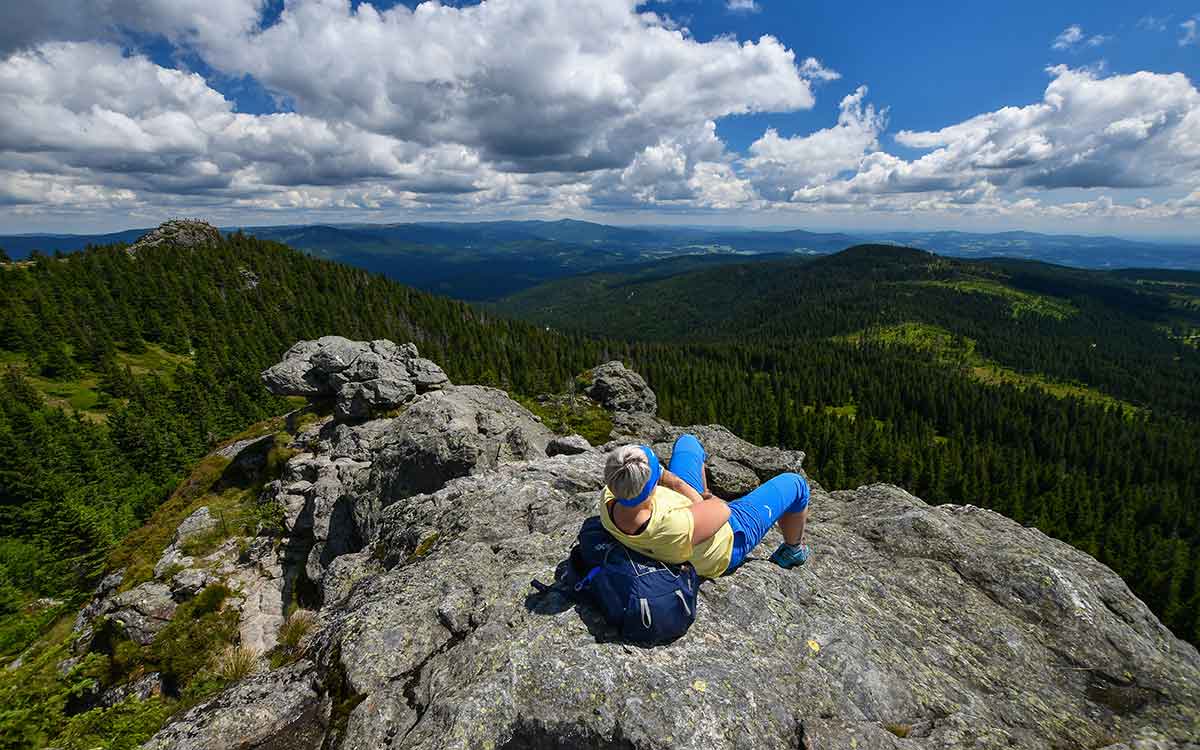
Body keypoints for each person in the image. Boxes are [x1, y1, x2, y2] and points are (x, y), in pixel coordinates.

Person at [599, 434, 811, 579]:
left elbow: (652, 482)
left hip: (685, 512)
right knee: (796, 484)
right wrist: (692, 492)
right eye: (657, 471)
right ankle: (792, 550)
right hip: (727, 538)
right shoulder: (675, 526)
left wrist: (676, 485)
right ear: (651, 485)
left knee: (687, 441)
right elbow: (720, 508)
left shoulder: (609, 497)